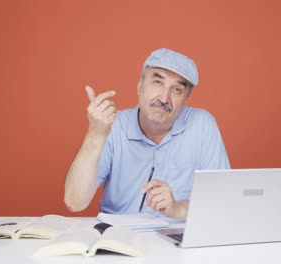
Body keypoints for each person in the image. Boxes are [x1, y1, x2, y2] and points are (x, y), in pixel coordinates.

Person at [64, 48, 230, 220]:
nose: (164, 98)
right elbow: (74, 202)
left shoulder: (202, 125)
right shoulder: (114, 126)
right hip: (119, 237)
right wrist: (95, 134)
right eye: (158, 82)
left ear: (186, 100)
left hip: (176, 238)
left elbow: (222, 201)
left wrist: (177, 208)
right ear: (140, 86)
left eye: (177, 90)